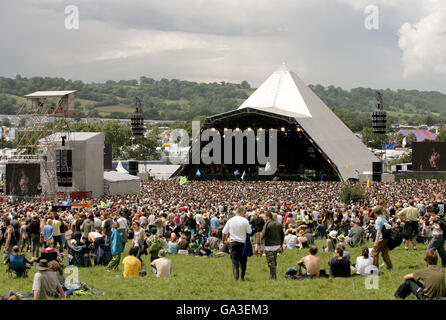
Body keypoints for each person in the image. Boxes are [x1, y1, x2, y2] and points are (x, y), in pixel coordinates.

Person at [222, 206, 252, 281]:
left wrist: (224, 240)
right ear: (241, 212)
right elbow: (250, 232)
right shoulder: (245, 221)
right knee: (243, 260)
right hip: (242, 242)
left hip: (233, 242)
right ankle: (242, 277)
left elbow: (224, 232)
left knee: (235, 260)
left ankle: (236, 278)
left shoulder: (231, 220)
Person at [261, 211, 284, 279]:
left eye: (264, 217)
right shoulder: (278, 223)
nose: (264, 218)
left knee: (270, 263)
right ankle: (271, 276)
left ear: (268, 217)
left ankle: (274, 277)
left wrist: (262, 239)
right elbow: (282, 235)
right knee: (274, 261)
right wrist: (281, 244)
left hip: (269, 246)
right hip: (277, 245)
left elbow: (263, 235)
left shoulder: (267, 224)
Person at [371, 206, 392, 270]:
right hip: (386, 237)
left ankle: (375, 268)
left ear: (375, 213)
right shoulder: (383, 217)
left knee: (374, 253)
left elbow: (378, 231)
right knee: (384, 253)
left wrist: (376, 241)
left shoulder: (378, 220)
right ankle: (390, 267)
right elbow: (388, 214)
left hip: (381, 238)